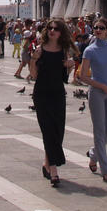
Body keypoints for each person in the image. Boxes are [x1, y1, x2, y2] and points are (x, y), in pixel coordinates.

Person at [29, 19, 75, 187]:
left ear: (61, 32)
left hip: (57, 94)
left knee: (58, 131)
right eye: (50, 28)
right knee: (48, 130)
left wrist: (70, 65)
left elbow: (64, 77)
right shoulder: (40, 50)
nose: (52, 31)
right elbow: (34, 75)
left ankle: (47, 164)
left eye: (56, 29)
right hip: (41, 94)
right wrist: (33, 59)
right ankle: (54, 170)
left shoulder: (63, 51)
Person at [80, 20, 107, 183]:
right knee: (99, 130)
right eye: (95, 28)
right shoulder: (90, 50)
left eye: (101, 28)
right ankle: (106, 170)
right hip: (97, 92)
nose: (97, 30)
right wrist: (101, 86)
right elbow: (83, 76)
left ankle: (93, 153)